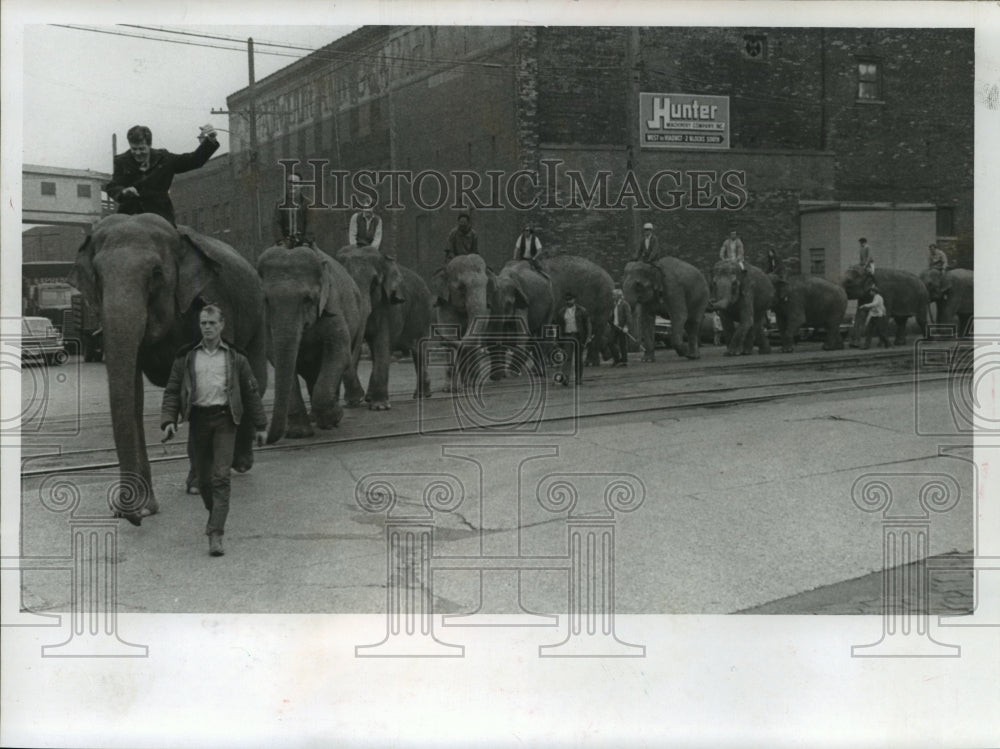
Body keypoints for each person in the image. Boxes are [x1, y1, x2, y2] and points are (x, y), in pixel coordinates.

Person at [160, 305, 268, 557]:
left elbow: (251, 394)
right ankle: (215, 513)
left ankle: (215, 533)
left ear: (222, 325)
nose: (207, 328)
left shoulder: (236, 358)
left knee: (221, 477)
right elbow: (173, 391)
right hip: (198, 422)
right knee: (204, 481)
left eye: (212, 323)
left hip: (224, 421)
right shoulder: (186, 357)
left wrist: (261, 426)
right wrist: (168, 420)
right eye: (203, 323)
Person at [105, 124, 220, 226]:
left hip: (160, 218)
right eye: (134, 149)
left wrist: (210, 141)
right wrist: (123, 191)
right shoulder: (121, 161)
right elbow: (113, 186)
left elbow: (193, 161)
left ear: (149, 145)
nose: (137, 153)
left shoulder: (164, 158)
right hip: (129, 217)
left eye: (142, 149)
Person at [554, 292, 591, 386]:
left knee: (579, 359)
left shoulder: (582, 311)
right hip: (567, 336)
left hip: (578, 336)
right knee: (567, 358)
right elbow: (558, 326)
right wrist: (557, 339)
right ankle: (565, 378)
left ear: (574, 300)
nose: (568, 301)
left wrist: (588, 336)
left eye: (570, 299)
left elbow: (587, 324)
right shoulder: (561, 312)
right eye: (567, 300)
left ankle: (578, 379)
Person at [274, 173, 311, 248]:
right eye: (289, 182)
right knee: (266, 257)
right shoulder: (280, 203)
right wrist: (280, 240)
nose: (292, 185)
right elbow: (276, 223)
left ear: (301, 185)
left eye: (295, 183)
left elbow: (311, 224)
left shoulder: (308, 203)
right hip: (285, 242)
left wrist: (306, 241)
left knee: (322, 259)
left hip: (304, 242)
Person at [609, 288, 633, 367]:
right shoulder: (614, 304)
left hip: (622, 327)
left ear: (618, 296)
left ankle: (624, 360)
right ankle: (617, 359)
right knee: (611, 342)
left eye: (614, 295)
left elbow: (628, 316)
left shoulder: (624, 304)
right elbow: (612, 315)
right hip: (615, 327)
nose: (613, 296)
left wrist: (626, 326)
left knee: (622, 344)